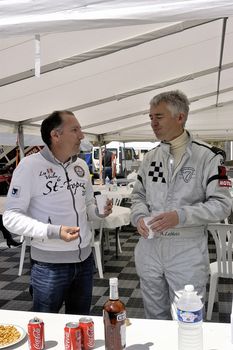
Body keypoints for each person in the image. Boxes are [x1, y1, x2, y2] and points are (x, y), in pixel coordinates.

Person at [130, 90, 232, 320]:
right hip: (150, 246)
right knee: (154, 316)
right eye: (150, 117)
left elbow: (223, 204)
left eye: (159, 117)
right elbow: (137, 197)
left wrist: (181, 216)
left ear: (180, 117)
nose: (153, 123)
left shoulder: (209, 157)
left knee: (188, 317)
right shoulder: (150, 158)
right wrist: (138, 218)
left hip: (186, 248)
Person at [3, 110, 112, 314]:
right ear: (55, 135)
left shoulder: (80, 165)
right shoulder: (29, 166)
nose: (81, 135)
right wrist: (53, 231)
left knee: (81, 324)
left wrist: (99, 211)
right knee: (46, 327)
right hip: (49, 266)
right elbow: (10, 217)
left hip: (84, 261)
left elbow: (87, 204)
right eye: (75, 130)